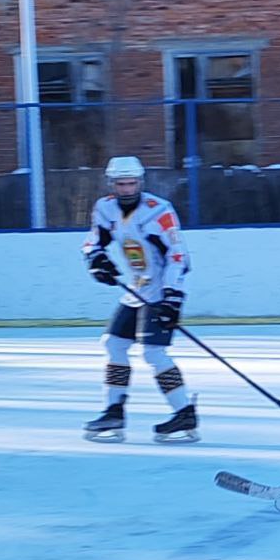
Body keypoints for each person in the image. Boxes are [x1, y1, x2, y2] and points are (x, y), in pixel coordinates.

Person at [81, 156, 198, 444]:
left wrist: (172, 297)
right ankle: (114, 411)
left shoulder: (159, 211)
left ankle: (184, 413)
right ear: (112, 184)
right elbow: (94, 241)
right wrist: (97, 261)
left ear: (140, 182)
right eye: (121, 184)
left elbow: (178, 256)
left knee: (154, 353)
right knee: (114, 344)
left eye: (132, 183)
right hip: (137, 289)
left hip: (162, 291)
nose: (127, 189)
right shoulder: (105, 208)